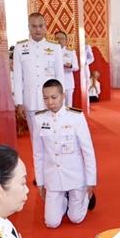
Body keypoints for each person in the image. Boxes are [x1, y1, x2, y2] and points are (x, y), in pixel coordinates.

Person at [33, 79, 97, 228]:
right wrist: (41, 182)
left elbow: (87, 150)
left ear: (63, 96)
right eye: (46, 98)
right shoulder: (39, 119)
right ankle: (63, 200)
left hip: (76, 176)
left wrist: (90, 181)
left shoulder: (75, 117)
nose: (50, 102)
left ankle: (84, 199)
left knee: (75, 218)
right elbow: (38, 153)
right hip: (53, 177)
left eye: (54, 97)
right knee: (52, 223)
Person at [13, 12, 64, 181]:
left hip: (51, 103)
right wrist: (19, 102)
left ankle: (55, 171)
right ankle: (40, 175)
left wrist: (61, 101)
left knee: (53, 138)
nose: (37, 29)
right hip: (30, 103)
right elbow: (18, 78)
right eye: (34, 26)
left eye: (41, 26)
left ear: (45, 27)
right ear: (29, 27)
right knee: (36, 141)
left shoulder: (55, 48)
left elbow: (60, 77)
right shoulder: (21, 48)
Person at [54, 31, 79, 107]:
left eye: (62, 38)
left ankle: (68, 119)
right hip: (55, 82)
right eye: (57, 38)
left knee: (68, 105)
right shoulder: (50, 52)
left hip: (68, 82)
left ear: (66, 40)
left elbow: (76, 67)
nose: (59, 40)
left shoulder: (71, 52)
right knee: (57, 105)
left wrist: (71, 66)